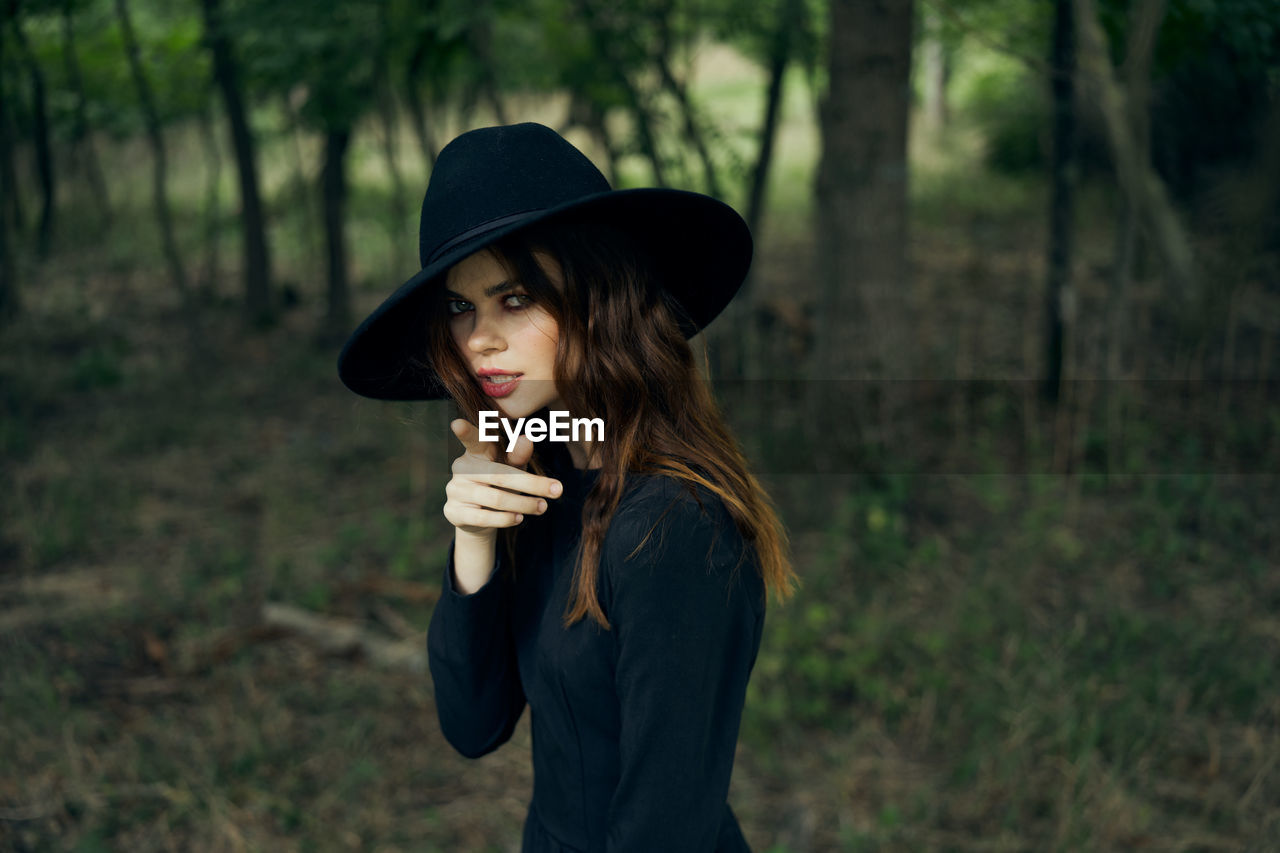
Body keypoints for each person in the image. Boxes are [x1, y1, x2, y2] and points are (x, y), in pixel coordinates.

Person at [337, 122, 795, 852]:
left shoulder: (675, 525)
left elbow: (662, 830)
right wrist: (473, 543)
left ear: (600, 296)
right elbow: (473, 724)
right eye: (461, 306)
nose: (479, 338)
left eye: (514, 297)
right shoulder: (545, 475)